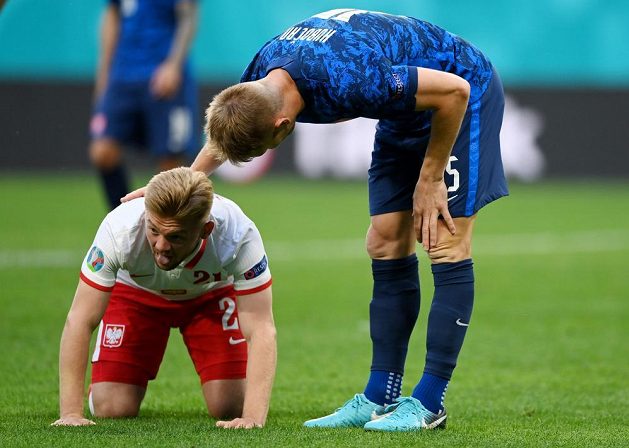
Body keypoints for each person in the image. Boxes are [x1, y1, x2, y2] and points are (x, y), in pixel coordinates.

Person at [125, 8, 509, 431]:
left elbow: (453, 91)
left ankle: (430, 401)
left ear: (283, 127)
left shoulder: (350, 78)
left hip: (463, 94)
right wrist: (179, 183)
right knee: (383, 241)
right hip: (405, 110)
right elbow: (227, 133)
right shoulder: (259, 77)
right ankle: (381, 395)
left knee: (444, 240)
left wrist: (431, 176)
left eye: (258, 152)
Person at [52, 167, 276, 430]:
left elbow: (262, 328)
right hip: (135, 293)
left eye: (175, 236)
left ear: (206, 230)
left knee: (231, 405)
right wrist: (70, 413)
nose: (160, 246)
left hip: (209, 295)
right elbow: (79, 319)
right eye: (154, 230)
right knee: (112, 407)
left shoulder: (238, 235)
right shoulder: (119, 229)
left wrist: (252, 417)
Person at [90, 0, 200, 210]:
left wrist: (173, 65)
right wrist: (104, 74)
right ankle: (122, 219)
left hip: (162, 77)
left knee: (171, 165)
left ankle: (170, 230)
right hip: (123, 76)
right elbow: (112, 16)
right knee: (102, 151)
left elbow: (188, 15)